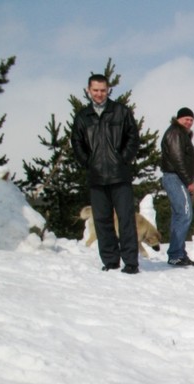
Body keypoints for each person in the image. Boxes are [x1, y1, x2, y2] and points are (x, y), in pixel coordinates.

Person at [70, 73, 141, 274]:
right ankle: (110, 261)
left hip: (120, 176)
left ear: (108, 90)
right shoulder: (83, 117)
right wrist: (88, 162)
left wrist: (123, 158)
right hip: (96, 177)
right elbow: (77, 143)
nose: (99, 94)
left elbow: (133, 138)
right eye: (95, 90)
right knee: (102, 220)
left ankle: (130, 262)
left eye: (103, 90)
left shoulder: (121, 112)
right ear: (88, 90)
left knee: (126, 219)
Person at [160, 107, 194, 267]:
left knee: (179, 216)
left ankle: (179, 253)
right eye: (185, 119)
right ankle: (175, 254)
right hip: (175, 177)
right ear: (178, 119)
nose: (188, 122)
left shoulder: (181, 134)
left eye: (191, 119)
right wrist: (188, 180)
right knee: (184, 214)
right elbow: (178, 159)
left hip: (177, 178)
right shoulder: (175, 133)